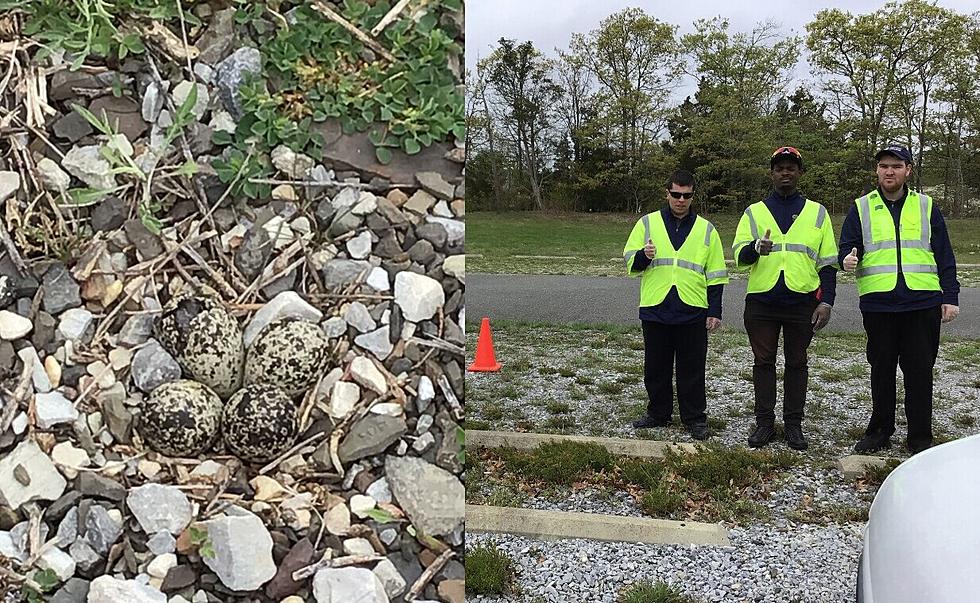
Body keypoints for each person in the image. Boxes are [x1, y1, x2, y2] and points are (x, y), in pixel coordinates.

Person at [839, 145, 960, 455]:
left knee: (919, 372)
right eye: (883, 166)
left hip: (922, 304)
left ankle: (920, 438)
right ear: (877, 171)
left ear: (908, 170)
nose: (888, 171)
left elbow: (944, 255)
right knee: (881, 371)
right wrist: (847, 261)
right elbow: (848, 248)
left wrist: (950, 296)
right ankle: (880, 430)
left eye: (895, 165)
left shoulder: (926, 206)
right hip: (879, 305)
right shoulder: (861, 208)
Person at [732, 147, 838, 450]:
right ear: (771, 173)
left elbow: (828, 263)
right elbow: (739, 255)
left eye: (791, 168)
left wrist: (826, 301)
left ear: (800, 173)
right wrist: (755, 248)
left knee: (797, 363)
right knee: (763, 362)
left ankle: (793, 425)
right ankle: (764, 423)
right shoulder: (754, 211)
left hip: (802, 300)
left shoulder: (817, 212)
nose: (785, 173)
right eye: (780, 168)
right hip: (762, 301)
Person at [623, 170, 728, 441]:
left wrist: (715, 310)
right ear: (666, 193)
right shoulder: (647, 223)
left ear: (693, 196)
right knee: (655, 367)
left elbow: (716, 273)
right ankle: (658, 413)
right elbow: (629, 261)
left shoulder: (707, 229)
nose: (681, 200)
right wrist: (643, 257)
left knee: (692, 368)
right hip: (656, 306)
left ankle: (694, 418)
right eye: (676, 194)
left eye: (687, 195)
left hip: (693, 308)